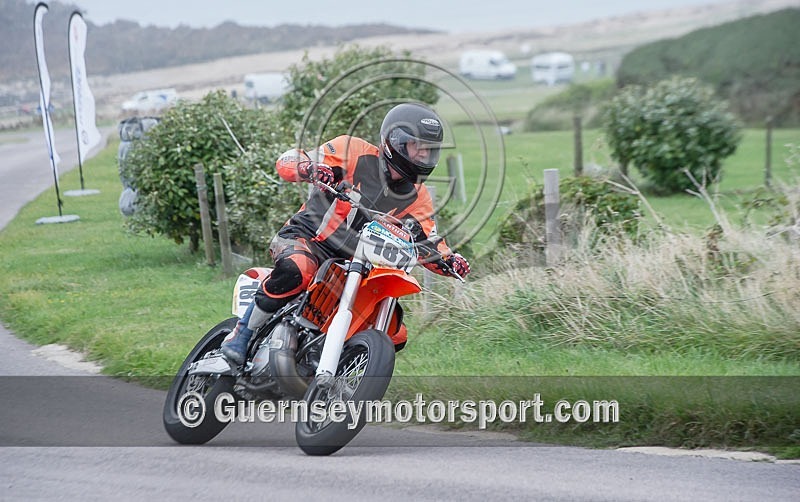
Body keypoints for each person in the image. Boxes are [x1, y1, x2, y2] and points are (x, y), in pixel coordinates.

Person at [221, 102, 471, 365]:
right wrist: (310, 168)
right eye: (417, 146)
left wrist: (449, 260)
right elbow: (288, 160)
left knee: (395, 333)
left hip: (359, 264)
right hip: (308, 238)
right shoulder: (351, 150)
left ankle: (334, 370)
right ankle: (243, 333)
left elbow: (428, 240)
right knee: (299, 269)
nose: (423, 155)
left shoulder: (419, 197)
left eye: (429, 150)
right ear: (395, 141)